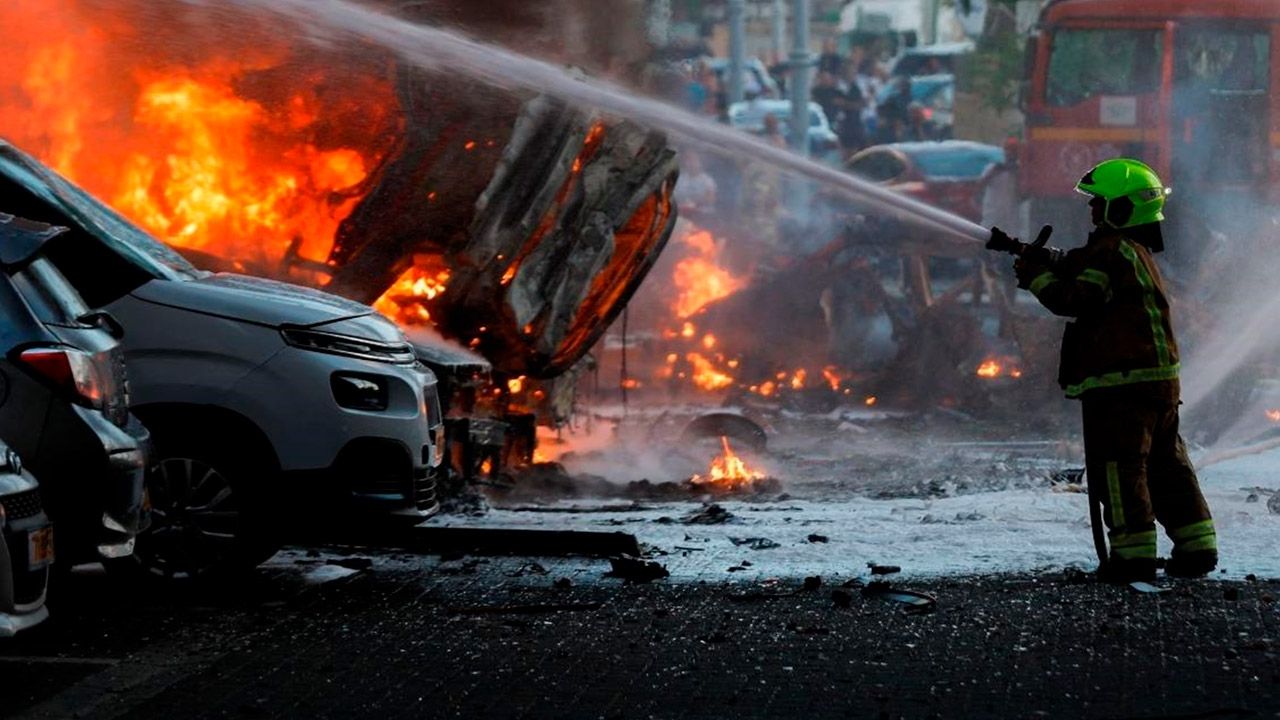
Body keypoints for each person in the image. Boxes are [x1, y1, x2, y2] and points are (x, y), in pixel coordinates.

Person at [991, 158, 1218, 583]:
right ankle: (1197, 546)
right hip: (1157, 383)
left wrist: (1035, 277)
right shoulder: (1132, 252)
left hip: (1121, 386)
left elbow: (1075, 298)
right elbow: (1079, 263)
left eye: (1100, 203)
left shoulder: (1113, 252)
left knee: (1119, 468)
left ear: (1124, 208)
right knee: (1168, 468)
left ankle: (1132, 557)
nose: (1092, 210)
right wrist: (1031, 252)